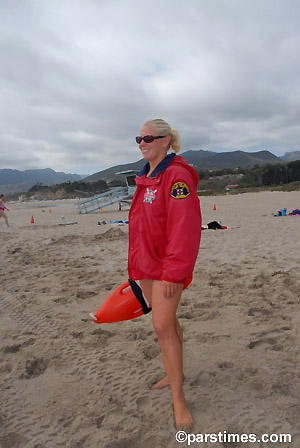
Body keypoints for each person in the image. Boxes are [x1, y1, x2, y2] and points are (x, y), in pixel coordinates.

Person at [128, 119, 202, 430]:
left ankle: (178, 399)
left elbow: (185, 230)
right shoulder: (146, 177)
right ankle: (176, 374)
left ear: (166, 140)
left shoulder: (177, 176)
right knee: (167, 322)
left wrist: (173, 273)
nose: (142, 142)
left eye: (148, 137)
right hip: (146, 265)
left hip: (166, 268)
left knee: (162, 328)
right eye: (138, 138)